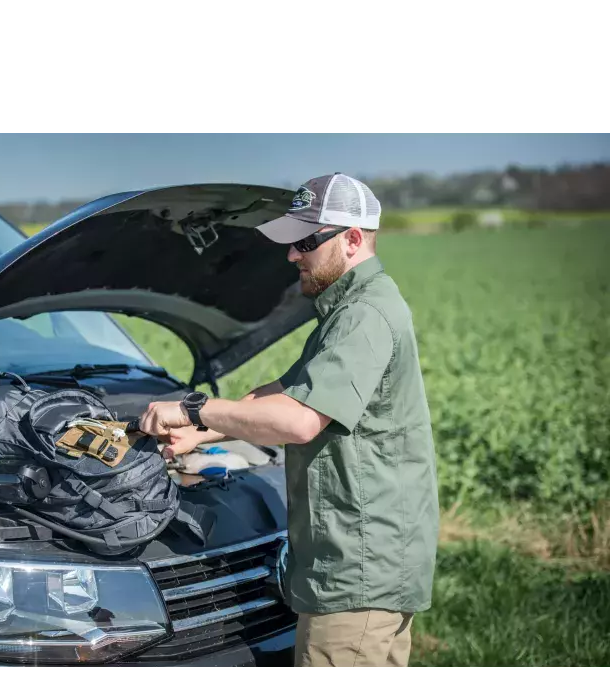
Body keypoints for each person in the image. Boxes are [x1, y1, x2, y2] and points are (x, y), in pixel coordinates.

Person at [139, 173, 440, 670]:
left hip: (355, 574)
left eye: (304, 242)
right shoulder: (347, 309)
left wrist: (193, 408)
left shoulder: (363, 315)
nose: (292, 255)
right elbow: (286, 390)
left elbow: (299, 421)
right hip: (373, 561)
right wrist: (205, 431)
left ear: (352, 239)